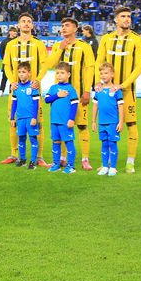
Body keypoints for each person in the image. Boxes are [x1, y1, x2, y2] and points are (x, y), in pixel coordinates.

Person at [95, 6, 141, 173]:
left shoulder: (138, 40)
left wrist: (124, 84)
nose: (127, 19)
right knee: (107, 125)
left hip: (127, 91)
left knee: (131, 124)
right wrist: (98, 81)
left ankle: (130, 161)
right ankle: (108, 161)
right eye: (123, 16)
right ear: (116, 19)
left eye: (129, 16)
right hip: (106, 92)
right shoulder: (106, 39)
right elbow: (99, 62)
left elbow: (140, 66)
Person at [45, 18, 97, 170]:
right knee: (61, 126)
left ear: (75, 28)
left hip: (79, 95)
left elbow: (90, 69)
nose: (63, 28)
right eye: (62, 26)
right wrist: (60, 48)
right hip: (60, 97)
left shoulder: (84, 47)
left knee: (81, 125)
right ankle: (62, 158)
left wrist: (87, 90)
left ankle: (85, 159)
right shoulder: (57, 46)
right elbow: (50, 65)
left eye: (67, 25)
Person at [0, 13, 49, 166]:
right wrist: (12, 81)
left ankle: (39, 157)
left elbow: (45, 65)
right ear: (18, 25)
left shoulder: (38, 44)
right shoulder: (10, 44)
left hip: (34, 89)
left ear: (32, 26)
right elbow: (6, 65)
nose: (26, 24)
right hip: (16, 89)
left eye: (29, 21)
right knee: (13, 121)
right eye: (23, 21)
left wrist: (38, 80)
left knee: (38, 122)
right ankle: (14, 154)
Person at [44, 62, 79, 173]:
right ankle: (56, 164)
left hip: (65, 122)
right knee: (56, 142)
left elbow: (74, 104)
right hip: (54, 120)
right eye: (57, 73)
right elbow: (47, 100)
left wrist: (71, 119)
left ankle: (71, 166)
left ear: (68, 74)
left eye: (62, 73)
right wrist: (57, 95)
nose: (59, 75)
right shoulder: (53, 88)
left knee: (69, 142)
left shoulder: (71, 89)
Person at [92, 63, 125, 176]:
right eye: (101, 73)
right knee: (104, 144)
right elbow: (95, 105)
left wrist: (120, 122)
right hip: (102, 123)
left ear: (112, 74)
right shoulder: (98, 90)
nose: (103, 75)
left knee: (112, 143)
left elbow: (121, 106)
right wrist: (93, 121)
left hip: (113, 123)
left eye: (106, 73)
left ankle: (113, 167)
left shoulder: (116, 90)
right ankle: (105, 166)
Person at [8, 63, 41, 168]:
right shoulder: (16, 87)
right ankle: (22, 159)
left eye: (24, 72)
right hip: (20, 118)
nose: (21, 74)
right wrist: (12, 117)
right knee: (21, 138)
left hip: (30, 118)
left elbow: (36, 103)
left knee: (32, 138)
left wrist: (34, 118)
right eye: (19, 72)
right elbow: (14, 103)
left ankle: (33, 161)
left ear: (29, 73)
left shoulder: (33, 86)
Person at [0, 26, 18, 92]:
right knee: (4, 77)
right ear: (10, 32)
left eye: (16, 32)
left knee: (14, 78)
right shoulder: (4, 42)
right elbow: (1, 52)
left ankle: (11, 91)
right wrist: (6, 60)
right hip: (7, 63)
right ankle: (1, 91)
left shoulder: (17, 41)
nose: (15, 33)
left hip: (15, 63)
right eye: (14, 31)